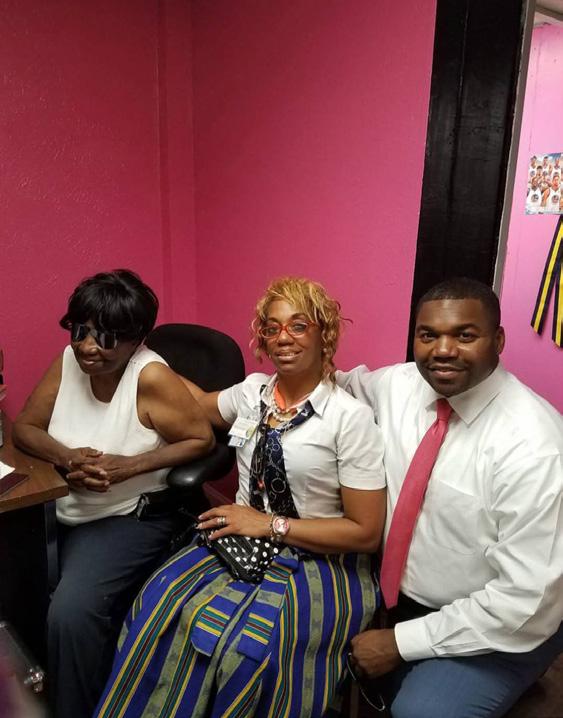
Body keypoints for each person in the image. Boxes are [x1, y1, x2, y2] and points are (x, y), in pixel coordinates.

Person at [95, 276, 387, 718]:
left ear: (324, 334)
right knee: (156, 602)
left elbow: (365, 533)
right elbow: (196, 403)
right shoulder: (253, 394)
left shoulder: (350, 419)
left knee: (242, 650)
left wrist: (269, 525)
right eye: (272, 327)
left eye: (298, 325)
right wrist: (142, 358)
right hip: (241, 540)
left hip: (321, 557)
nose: (283, 337)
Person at [339, 277, 563, 718]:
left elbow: (526, 600)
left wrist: (400, 643)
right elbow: (334, 385)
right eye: (428, 335)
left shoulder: (536, 447)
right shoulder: (399, 384)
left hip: (506, 620)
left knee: (421, 711)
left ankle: (523, 671)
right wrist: (229, 399)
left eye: (465, 335)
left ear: (498, 340)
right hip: (403, 597)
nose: (442, 350)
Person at [13, 269, 215, 718]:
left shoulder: (151, 377)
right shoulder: (70, 361)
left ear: (135, 340)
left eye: (106, 338)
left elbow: (200, 439)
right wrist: (67, 458)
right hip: (62, 506)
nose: (88, 346)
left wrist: (130, 466)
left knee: (70, 613)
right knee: (16, 588)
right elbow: (26, 427)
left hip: (126, 515)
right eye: (80, 331)